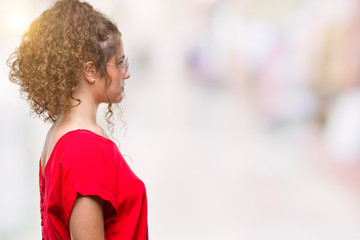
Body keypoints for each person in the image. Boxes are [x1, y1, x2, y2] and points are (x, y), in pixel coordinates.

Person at [7, 0, 149, 239]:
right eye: (120, 62)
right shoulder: (84, 148)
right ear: (91, 71)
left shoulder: (59, 134)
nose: (126, 73)